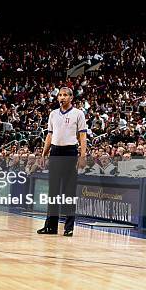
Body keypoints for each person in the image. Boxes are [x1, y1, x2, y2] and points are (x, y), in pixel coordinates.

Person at [37, 86, 87, 237]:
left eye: (65, 95)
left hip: (70, 152)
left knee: (69, 191)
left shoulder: (78, 114)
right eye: (60, 95)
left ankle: (69, 227)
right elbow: (49, 136)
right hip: (55, 152)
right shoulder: (53, 114)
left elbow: (83, 137)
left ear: (71, 98)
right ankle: (50, 226)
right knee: (53, 191)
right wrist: (43, 154)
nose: (62, 97)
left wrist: (82, 156)